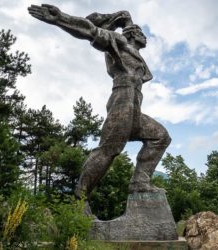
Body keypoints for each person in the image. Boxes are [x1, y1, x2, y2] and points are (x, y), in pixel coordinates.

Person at [28, 4, 171, 200]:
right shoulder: (119, 42)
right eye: (140, 32)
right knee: (108, 150)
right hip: (123, 100)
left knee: (160, 136)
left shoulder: (134, 53)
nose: (145, 36)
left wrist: (126, 20)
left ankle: (140, 183)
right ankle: (80, 199)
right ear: (131, 34)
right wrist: (61, 19)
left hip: (134, 105)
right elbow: (91, 31)